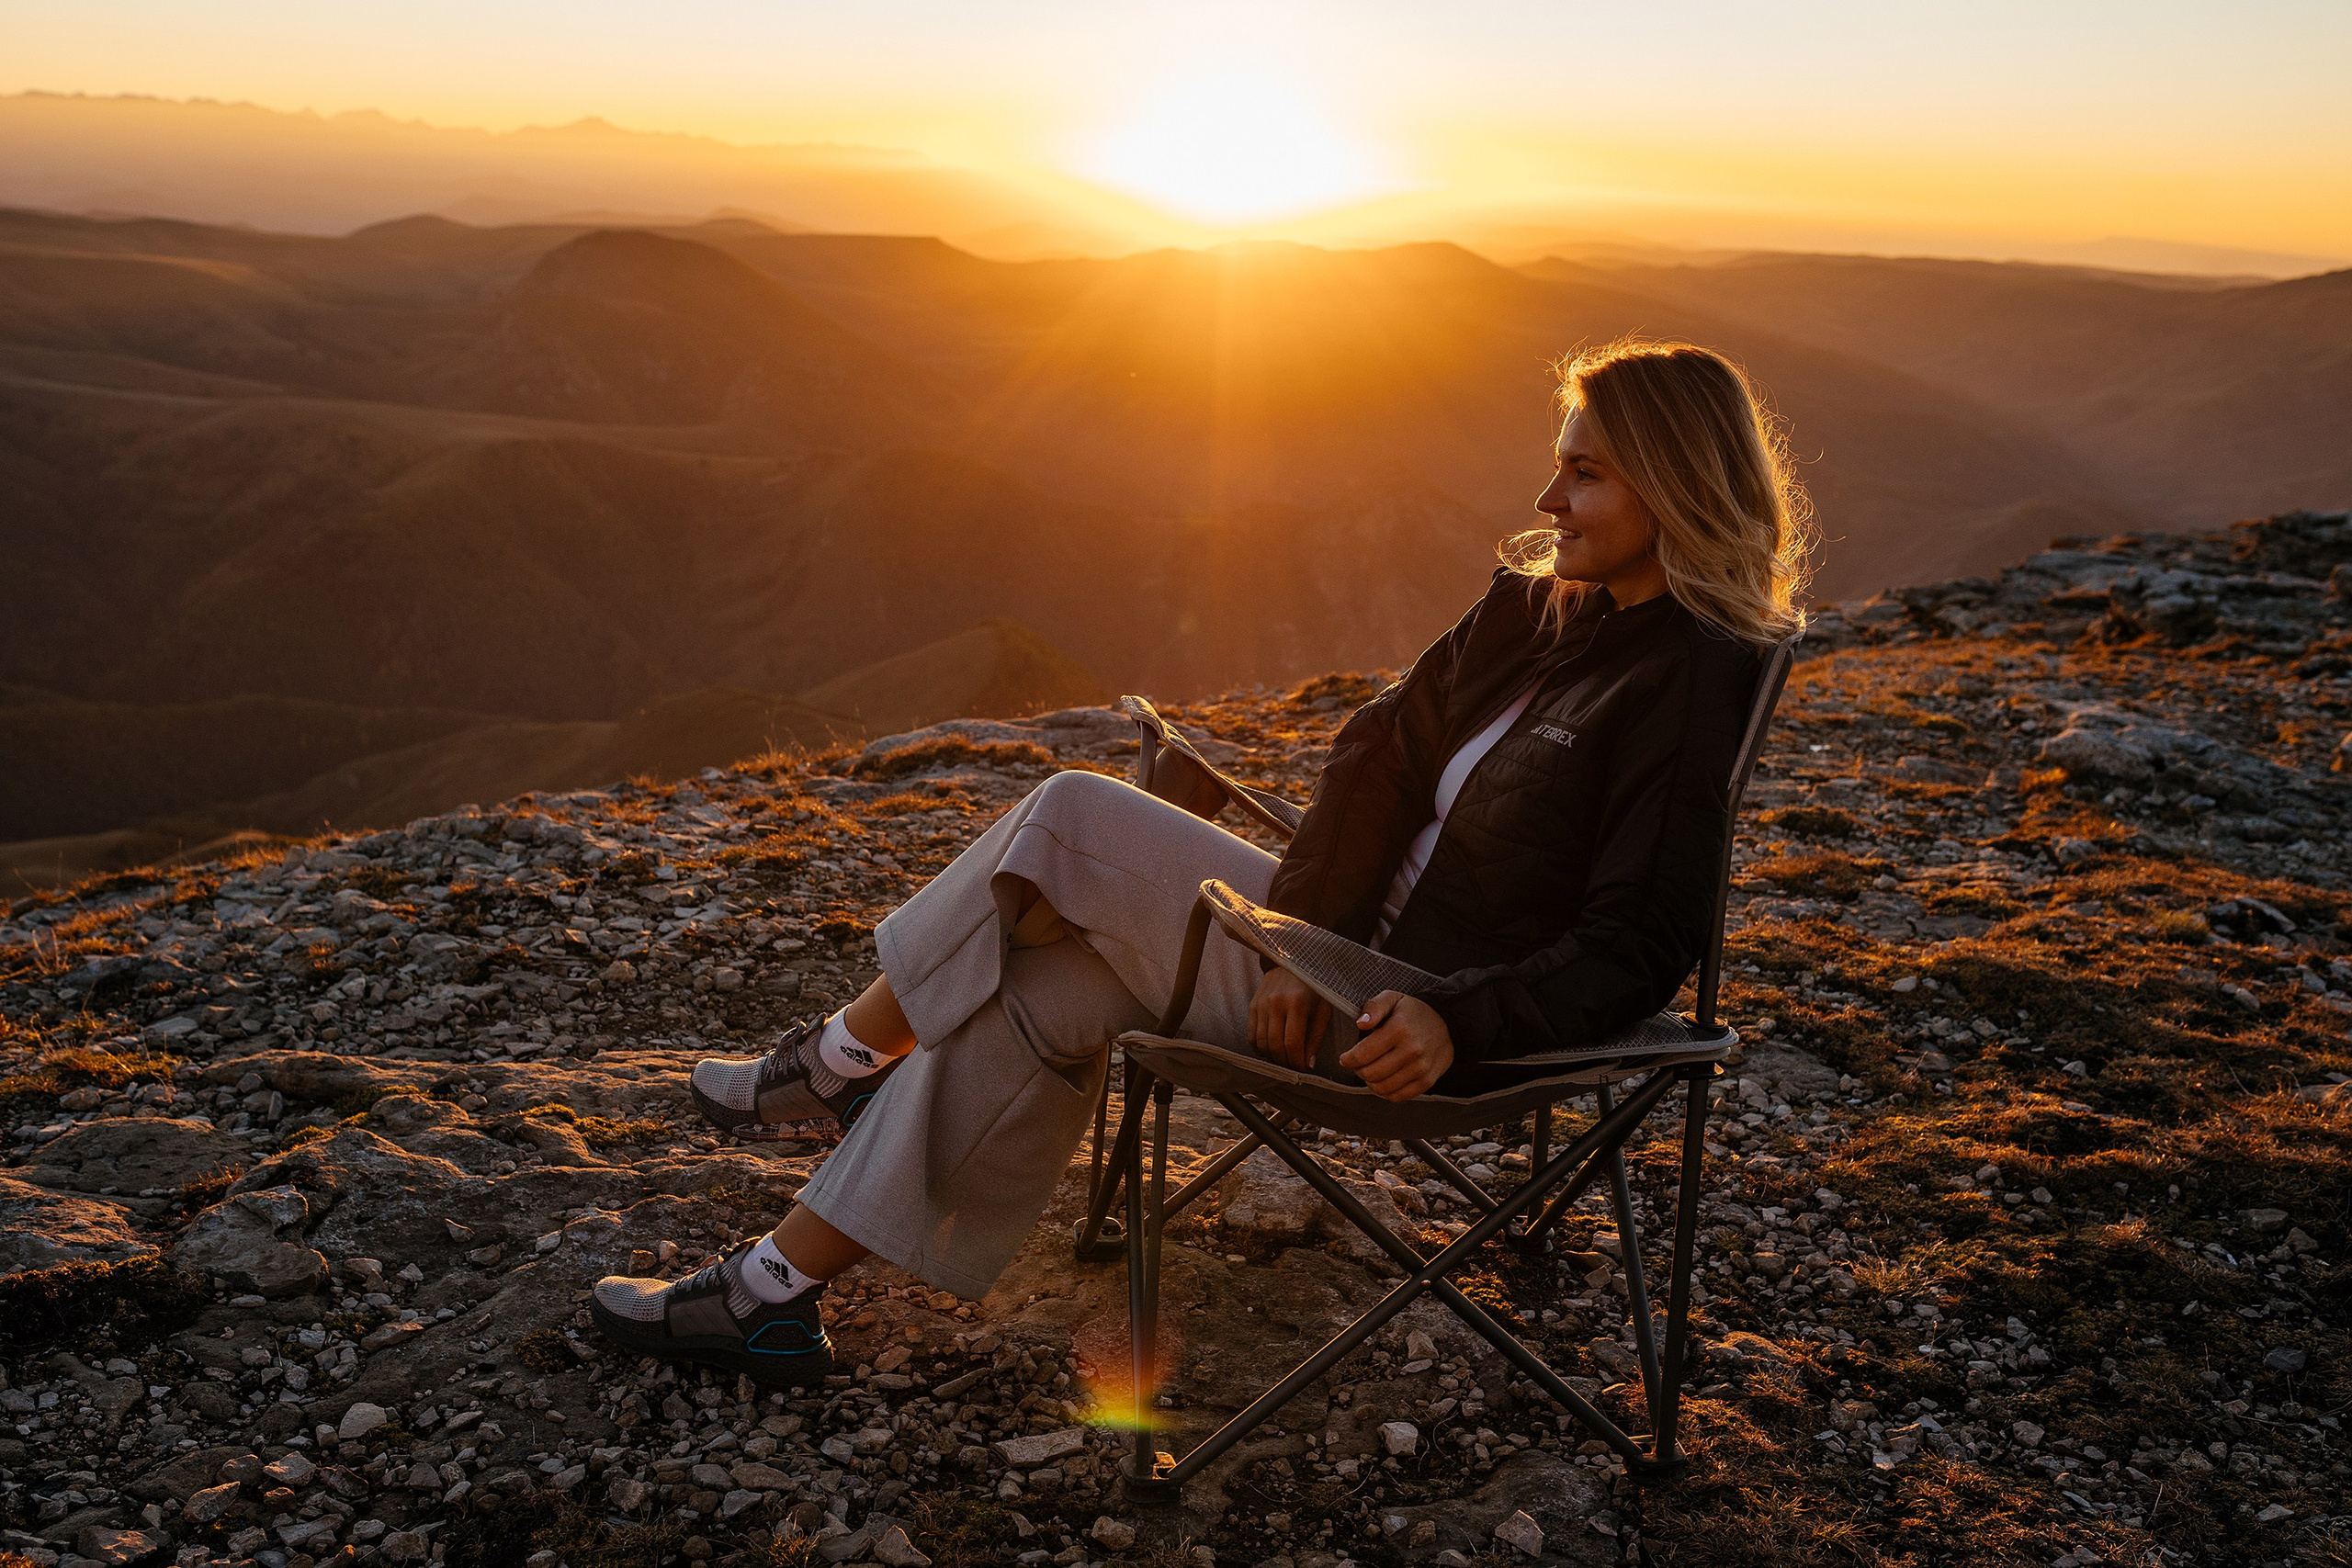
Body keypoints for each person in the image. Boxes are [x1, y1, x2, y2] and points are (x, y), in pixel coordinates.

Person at [588, 338, 1812, 1386]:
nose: (1549, 498)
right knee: (1045, 998)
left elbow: (1648, 932)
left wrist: (1458, 1019)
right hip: (1326, 945)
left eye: (1585, 472)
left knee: (1074, 815)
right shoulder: (1539, 606)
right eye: (1560, 461)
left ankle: (842, 1056)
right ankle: (766, 1297)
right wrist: (1294, 932)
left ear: (1670, 479)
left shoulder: (1689, 675)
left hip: (1405, 1012)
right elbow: (1378, 754)